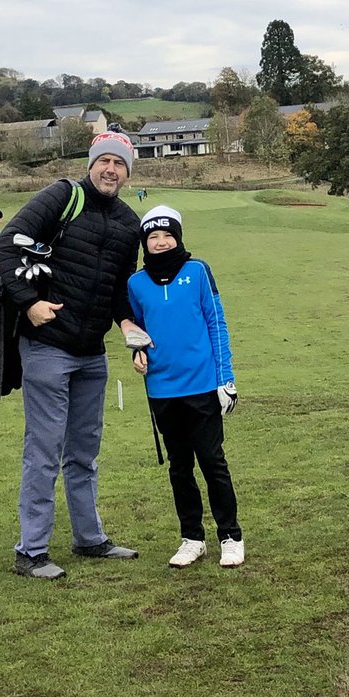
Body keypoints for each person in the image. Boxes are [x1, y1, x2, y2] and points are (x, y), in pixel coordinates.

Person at [0, 132, 145, 580]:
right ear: (92, 164)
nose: (111, 170)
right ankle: (31, 551)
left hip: (91, 355)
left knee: (84, 453)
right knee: (43, 451)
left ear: (128, 172)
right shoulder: (63, 196)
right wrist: (28, 302)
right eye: (105, 162)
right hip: (47, 348)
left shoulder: (128, 222)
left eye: (120, 164)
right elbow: (7, 244)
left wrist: (127, 323)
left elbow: (119, 288)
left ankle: (89, 539)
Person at [128, 205, 244, 569]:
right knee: (179, 467)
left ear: (177, 237)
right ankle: (192, 538)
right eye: (153, 237)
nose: (161, 243)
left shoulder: (197, 271)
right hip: (162, 389)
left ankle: (230, 535)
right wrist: (137, 353)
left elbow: (216, 323)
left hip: (203, 386)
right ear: (145, 244)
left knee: (212, 462)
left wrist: (226, 378)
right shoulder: (136, 283)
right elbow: (136, 329)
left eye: (167, 235)